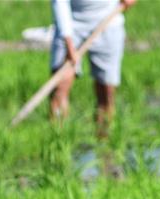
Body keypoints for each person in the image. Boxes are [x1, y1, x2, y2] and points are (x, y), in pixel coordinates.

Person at [49, 0, 136, 135]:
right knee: (60, 87)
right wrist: (69, 44)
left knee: (107, 91)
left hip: (108, 20)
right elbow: (60, 3)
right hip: (71, 24)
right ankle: (58, 142)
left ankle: (104, 144)